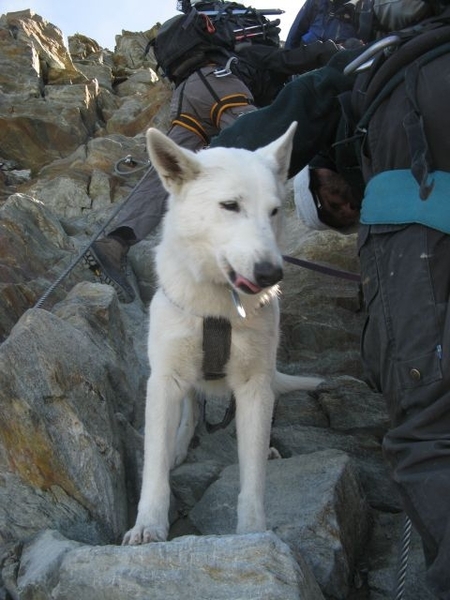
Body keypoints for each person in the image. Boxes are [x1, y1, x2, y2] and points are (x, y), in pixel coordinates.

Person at [209, 3, 450, 598]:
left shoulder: (361, 73)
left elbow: (276, 119)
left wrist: (197, 176)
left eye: (337, 201)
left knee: (426, 415)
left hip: (421, 111)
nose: (348, 210)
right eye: (343, 216)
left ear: (320, 172)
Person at [86, 19, 343, 303]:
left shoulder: (221, 54)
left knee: (179, 173)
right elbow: (289, 59)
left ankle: (115, 243)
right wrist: (335, 52)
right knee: (256, 145)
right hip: (217, 84)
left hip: (187, 94)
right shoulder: (247, 50)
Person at [285, 0, 367, 49]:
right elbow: (294, 36)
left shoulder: (364, 7)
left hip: (340, 70)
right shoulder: (315, 3)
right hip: (305, 67)